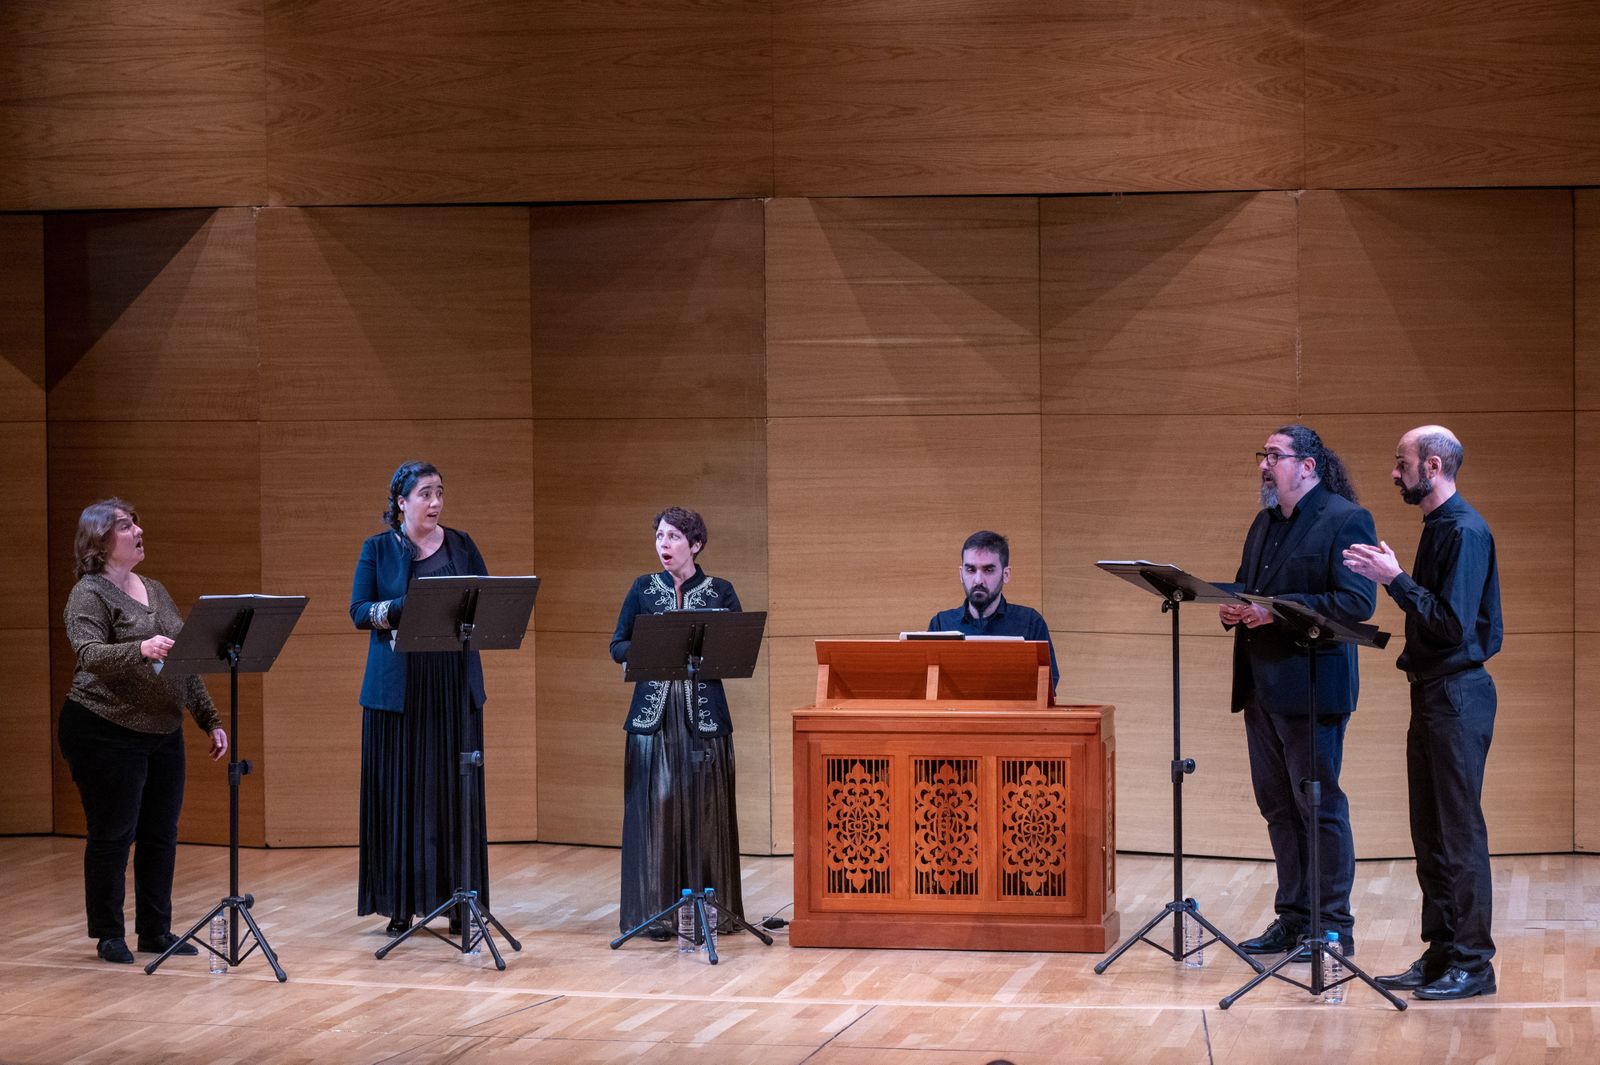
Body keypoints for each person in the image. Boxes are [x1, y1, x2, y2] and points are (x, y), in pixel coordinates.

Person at [1344, 425, 1501, 1001]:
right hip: (1433, 693)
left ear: (1433, 466)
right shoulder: (1439, 527)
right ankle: (1441, 953)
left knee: (1459, 834)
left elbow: (1452, 624)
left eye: (1401, 462)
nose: (1394, 472)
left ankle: (1474, 963)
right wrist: (1398, 578)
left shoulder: (1464, 531)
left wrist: (1395, 580)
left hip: (1458, 695)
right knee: (1430, 832)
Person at [1218, 426, 1376, 959]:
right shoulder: (1263, 523)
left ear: (1308, 466)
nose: (1265, 464)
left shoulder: (1345, 519)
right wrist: (1235, 608)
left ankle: (1332, 928)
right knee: (1278, 807)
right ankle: (1293, 918)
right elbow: (1248, 587)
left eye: (1275, 456)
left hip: (1312, 688)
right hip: (1262, 688)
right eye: (1261, 455)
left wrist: (1274, 610)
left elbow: (1356, 602)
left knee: (1319, 807)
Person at [58, 499, 229, 965]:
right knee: (113, 833)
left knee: (160, 833)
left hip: (162, 730)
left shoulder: (154, 588)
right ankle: (109, 933)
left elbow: (185, 660)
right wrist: (140, 647)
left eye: (135, 522)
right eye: (126, 525)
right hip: (103, 727)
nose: (139, 529)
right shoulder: (88, 593)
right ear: (100, 540)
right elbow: (89, 653)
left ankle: (155, 930)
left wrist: (208, 719)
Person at [350, 461, 490, 935]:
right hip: (399, 691)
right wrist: (404, 608)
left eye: (439, 492)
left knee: (455, 791)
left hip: (452, 685)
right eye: (425, 494)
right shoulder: (377, 549)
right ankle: (400, 904)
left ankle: (459, 902)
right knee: (404, 793)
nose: (436, 502)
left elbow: (485, 601)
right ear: (401, 502)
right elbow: (359, 611)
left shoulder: (463, 545)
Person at [611, 506, 746, 938]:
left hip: (703, 718)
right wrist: (644, 647)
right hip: (654, 717)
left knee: (704, 811)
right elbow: (618, 645)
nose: (663, 545)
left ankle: (710, 911)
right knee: (658, 809)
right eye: (660, 537)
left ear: (695, 545)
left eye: (672, 538)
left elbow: (737, 649)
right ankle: (659, 914)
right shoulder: (642, 588)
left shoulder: (721, 591)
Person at [927, 530, 1060, 697]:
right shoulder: (941, 623)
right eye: (970, 570)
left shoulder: (1030, 622)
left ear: (1006, 574)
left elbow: (1048, 684)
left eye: (988, 570)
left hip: (1013, 721)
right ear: (961, 574)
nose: (978, 580)